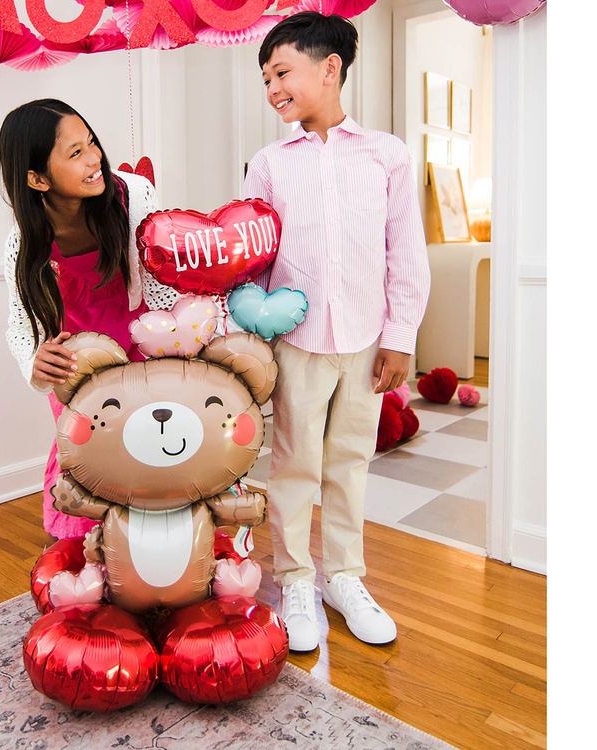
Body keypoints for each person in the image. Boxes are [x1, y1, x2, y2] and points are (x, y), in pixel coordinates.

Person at [243, 12, 431, 650]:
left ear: (330, 68)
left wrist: (400, 335)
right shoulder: (269, 164)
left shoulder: (386, 154)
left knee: (350, 461)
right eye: (266, 79)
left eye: (281, 72)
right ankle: (296, 579)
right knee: (294, 464)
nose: (273, 88)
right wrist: (252, 338)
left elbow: (404, 251)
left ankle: (345, 577)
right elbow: (256, 258)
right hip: (296, 342)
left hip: (366, 339)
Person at [0, 98, 178, 543]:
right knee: (86, 461)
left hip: (141, 343)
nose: (95, 157)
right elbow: (21, 326)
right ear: (37, 178)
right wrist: (35, 362)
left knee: (152, 448)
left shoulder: (134, 194)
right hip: (79, 364)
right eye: (75, 152)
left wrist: (177, 347)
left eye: (91, 142)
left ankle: (157, 552)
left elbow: (162, 284)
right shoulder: (23, 242)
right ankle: (82, 556)